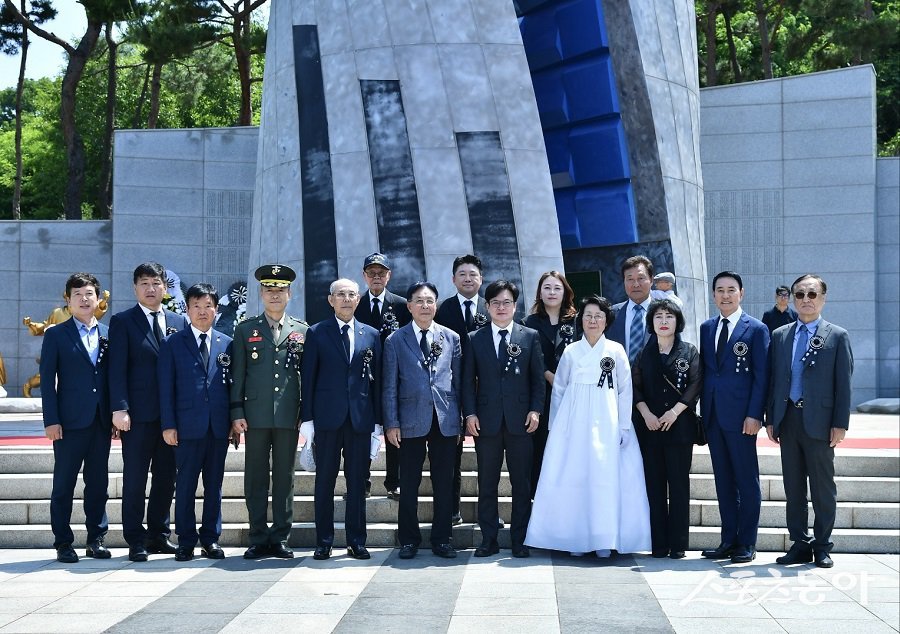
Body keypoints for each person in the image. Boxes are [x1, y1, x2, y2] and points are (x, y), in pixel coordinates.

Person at [526, 295, 650, 557]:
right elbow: (559, 389)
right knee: (576, 477)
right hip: (574, 423)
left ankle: (604, 539)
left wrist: (624, 426)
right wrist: (557, 427)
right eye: (588, 315)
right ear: (581, 319)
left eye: (599, 316)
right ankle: (576, 539)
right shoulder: (571, 351)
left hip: (607, 421)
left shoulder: (616, 351)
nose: (593, 321)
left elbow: (625, 390)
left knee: (604, 478)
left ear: (607, 321)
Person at [767, 274, 853, 569]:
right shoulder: (780, 336)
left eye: (812, 294)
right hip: (788, 418)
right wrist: (771, 418)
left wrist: (840, 423)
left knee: (822, 487)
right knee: (793, 487)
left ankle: (822, 545)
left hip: (820, 421)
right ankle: (799, 544)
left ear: (823, 298)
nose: (806, 300)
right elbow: (775, 380)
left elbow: (844, 384)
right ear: (792, 299)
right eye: (800, 295)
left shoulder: (837, 336)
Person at [108, 261, 187, 561]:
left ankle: (159, 534)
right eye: (144, 283)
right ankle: (136, 539)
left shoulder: (179, 322)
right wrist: (120, 408)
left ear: (165, 288)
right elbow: (116, 370)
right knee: (135, 478)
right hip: (137, 417)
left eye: (156, 283)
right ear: (135, 288)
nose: (150, 288)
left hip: (170, 418)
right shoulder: (123, 321)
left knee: (167, 478)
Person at [230, 264, 308, 559]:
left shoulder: (301, 330)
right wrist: (236, 411)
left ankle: (280, 537)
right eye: (269, 290)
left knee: (284, 478)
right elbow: (238, 375)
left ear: (289, 294)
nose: (274, 295)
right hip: (255, 416)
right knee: (255, 478)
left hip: (289, 416)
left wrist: (306, 412)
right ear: (261, 294)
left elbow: (306, 376)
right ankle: (258, 536)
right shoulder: (245, 329)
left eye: (280, 290)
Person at [462, 280, 544, 558]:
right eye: (495, 302)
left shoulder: (529, 336)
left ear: (515, 305)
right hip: (486, 422)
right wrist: (470, 413)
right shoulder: (475, 338)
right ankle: (489, 539)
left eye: (506, 302)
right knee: (487, 483)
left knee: (522, 483)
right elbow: (466, 381)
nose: (501, 307)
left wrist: (535, 410)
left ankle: (521, 539)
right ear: (487, 306)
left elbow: (537, 381)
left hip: (522, 421)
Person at [301, 278, 382, 560]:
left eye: (351, 294)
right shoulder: (317, 332)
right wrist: (307, 419)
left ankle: (356, 540)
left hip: (360, 420)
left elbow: (378, 382)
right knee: (324, 481)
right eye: (341, 295)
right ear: (331, 300)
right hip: (327, 418)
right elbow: (308, 378)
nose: (346, 299)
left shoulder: (371, 334)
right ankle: (323, 540)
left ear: (358, 299)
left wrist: (379, 423)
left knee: (357, 482)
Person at [383, 282, 462, 559]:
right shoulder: (395, 340)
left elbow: (459, 382)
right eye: (419, 301)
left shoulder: (451, 338)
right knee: (409, 483)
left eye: (430, 301)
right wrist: (391, 423)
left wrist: (461, 419)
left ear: (436, 305)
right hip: (409, 421)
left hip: (445, 419)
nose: (425, 306)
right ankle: (409, 540)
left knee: (444, 482)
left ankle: (442, 539)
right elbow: (389, 386)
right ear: (409, 306)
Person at [40, 273, 113, 563]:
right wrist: (51, 420)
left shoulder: (109, 333)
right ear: (68, 300)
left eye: (89, 294)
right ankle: (63, 542)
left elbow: (113, 378)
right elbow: (47, 381)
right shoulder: (56, 335)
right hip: (68, 423)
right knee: (64, 484)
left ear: (98, 299)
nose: (84, 299)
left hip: (100, 421)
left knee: (98, 484)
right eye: (78, 294)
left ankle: (96, 539)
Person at [158, 284, 234, 561]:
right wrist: (168, 425)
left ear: (216, 309)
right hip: (186, 427)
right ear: (187, 310)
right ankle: (186, 540)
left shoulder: (227, 343)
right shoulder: (172, 343)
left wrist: (232, 421)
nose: (202, 312)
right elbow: (165, 389)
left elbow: (232, 387)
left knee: (214, 486)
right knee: (186, 485)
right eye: (196, 307)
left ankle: (211, 539)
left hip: (217, 427)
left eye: (208, 306)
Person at [699, 271, 769, 564]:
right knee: (723, 481)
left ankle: (747, 543)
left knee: (746, 480)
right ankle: (728, 540)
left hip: (742, 419)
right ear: (713, 295)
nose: (725, 295)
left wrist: (756, 415)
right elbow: (708, 372)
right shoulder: (706, 327)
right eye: (720, 290)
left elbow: (762, 377)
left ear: (741, 293)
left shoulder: (756, 329)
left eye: (731, 290)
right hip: (714, 416)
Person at [632, 299, 701, 559]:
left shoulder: (689, 351)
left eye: (668, 317)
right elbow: (635, 387)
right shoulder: (642, 353)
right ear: (651, 322)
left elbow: (696, 384)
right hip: (649, 429)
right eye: (658, 316)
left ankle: (679, 544)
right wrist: (646, 413)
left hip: (679, 428)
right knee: (655, 487)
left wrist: (675, 411)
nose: (663, 321)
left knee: (679, 486)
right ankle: (659, 544)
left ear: (677, 322)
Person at [434, 254, 489, 525]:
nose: (468, 279)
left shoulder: (492, 308)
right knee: (451, 456)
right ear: (453, 279)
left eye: (473, 274)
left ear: (481, 278)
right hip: (452, 392)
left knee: (488, 456)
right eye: (462, 274)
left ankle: (488, 513)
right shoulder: (443, 310)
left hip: (485, 392)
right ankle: (451, 509)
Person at [354, 252, 410, 500]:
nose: (376, 277)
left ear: (389, 275)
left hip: (395, 378)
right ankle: (361, 481)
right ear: (364, 276)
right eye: (371, 273)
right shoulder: (355, 303)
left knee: (394, 429)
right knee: (362, 430)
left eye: (381, 273)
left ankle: (394, 481)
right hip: (362, 378)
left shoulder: (401, 305)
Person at [523, 271, 578, 498]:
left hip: (573, 392)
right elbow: (530, 357)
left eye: (557, 288)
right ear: (539, 292)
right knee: (541, 448)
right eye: (547, 288)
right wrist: (549, 375)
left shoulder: (578, 320)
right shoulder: (529, 323)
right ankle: (540, 498)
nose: (552, 292)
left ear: (565, 291)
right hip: (541, 394)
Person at [607, 255, 654, 366]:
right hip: (620, 380)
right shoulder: (611, 314)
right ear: (624, 282)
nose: (636, 284)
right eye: (630, 279)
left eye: (641, 278)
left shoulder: (665, 313)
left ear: (651, 280)